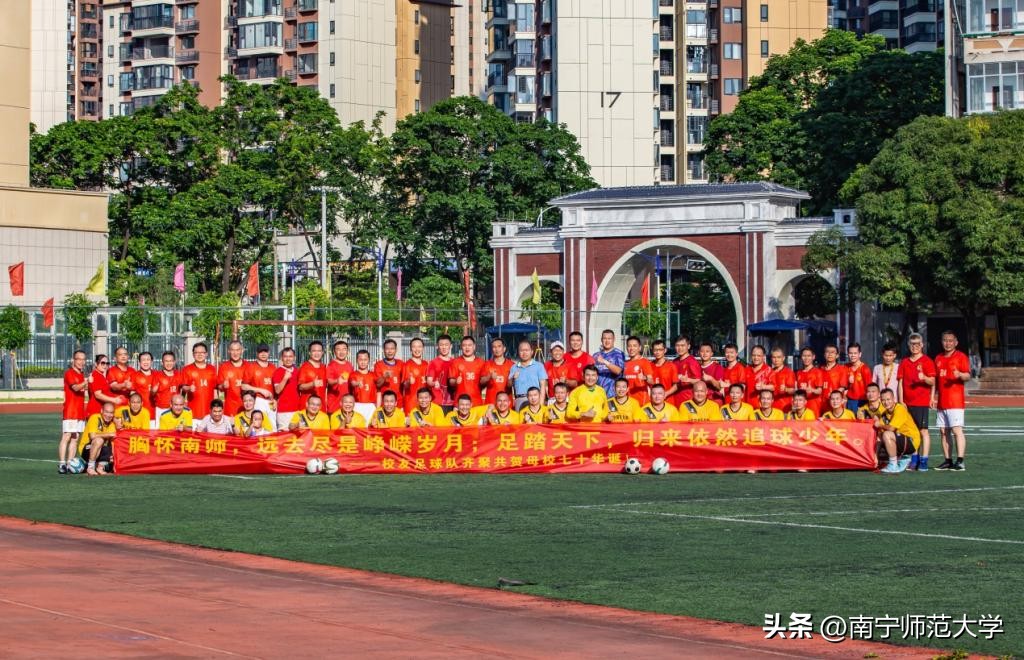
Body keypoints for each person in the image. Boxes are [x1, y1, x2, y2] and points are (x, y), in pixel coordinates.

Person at [897, 332, 936, 471]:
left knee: (923, 431)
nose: (915, 347)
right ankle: (914, 459)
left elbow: (932, 381)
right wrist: (901, 401)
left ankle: (924, 460)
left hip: (921, 402)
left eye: (917, 344)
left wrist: (924, 378)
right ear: (909, 345)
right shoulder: (905, 362)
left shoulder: (927, 361)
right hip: (907, 403)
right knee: (911, 432)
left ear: (922, 345)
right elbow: (900, 383)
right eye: (912, 344)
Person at [934, 330, 970, 471]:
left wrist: (960, 374)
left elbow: (967, 375)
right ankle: (948, 460)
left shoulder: (961, 357)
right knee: (943, 431)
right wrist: (933, 397)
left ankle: (960, 461)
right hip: (942, 401)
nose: (947, 343)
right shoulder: (938, 358)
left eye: (950, 340)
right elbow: (936, 380)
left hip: (955, 401)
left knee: (956, 430)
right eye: (945, 340)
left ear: (956, 342)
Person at [871, 387, 921, 474]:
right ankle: (903, 459)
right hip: (901, 440)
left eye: (888, 399)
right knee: (880, 438)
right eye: (883, 400)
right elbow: (879, 435)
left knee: (887, 434)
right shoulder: (884, 414)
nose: (886, 402)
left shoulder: (900, 409)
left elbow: (891, 428)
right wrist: (876, 456)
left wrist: (880, 424)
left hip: (912, 441)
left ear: (894, 398)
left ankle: (893, 465)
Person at [59, 350, 88, 474]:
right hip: (71, 411)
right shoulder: (69, 373)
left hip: (80, 412)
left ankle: (70, 463)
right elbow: (75, 387)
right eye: (79, 359)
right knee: (67, 436)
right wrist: (87, 381)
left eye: (83, 359)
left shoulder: (81, 374)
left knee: (75, 438)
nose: (81, 362)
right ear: (73, 360)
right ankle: (61, 464)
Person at [180, 342, 217, 424]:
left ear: (206, 354)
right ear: (193, 354)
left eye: (202, 352)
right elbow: (183, 387)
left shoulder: (212, 369)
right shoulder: (187, 369)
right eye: (196, 352)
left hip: (210, 413)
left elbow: (215, 389)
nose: (199, 355)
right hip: (193, 413)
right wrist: (189, 388)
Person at [242, 344, 277, 427]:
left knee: (272, 425)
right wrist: (260, 390)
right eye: (261, 352)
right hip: (258, 400)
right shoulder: (251, 367)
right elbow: (243, 386)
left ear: (269, 353)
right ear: (257, 353)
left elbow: (276, 386)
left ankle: (271, 440)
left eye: (265, 351)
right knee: (259, 425)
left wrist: (275, 399)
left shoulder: (273, 367)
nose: (263, 354)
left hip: (271, 401)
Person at [509, 340, 548, 409]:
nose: (524, 353)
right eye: (521, 350)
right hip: (520, 400)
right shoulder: (514, 367)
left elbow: (543, 386)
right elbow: (509, 385)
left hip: (535, 399)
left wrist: (541, 404)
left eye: (526, 350)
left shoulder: (539, 366)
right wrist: (512, 379)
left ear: (532, 352)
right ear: (518, 352)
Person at [81, 402, 118, 476]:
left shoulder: (112, 425)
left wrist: (114, 457)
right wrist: (109, 434)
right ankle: (90, 468)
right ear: (101, 411)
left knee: (111, 444)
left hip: (100, 449)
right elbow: (92, 436)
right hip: (87, 449)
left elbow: (113, 443)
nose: (108, 415)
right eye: (106, 412)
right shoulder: (95, 418)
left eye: (111, 413)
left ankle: (100, 468)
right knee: (99, 440)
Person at [449, 336, 484, 407]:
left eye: (469, 345)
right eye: (464, 345)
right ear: (461, 347)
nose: (467, 348)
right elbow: (451, 381)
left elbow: (484, 382)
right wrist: (455, 382)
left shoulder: (481, 362)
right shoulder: (455, 362)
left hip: (476, 403)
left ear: (474, 347)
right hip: (459, 403)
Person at [272, 347, 302, 429]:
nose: (288, 359)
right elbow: (277, 390)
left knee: (297, 435)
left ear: (294, 358)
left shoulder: (297, 371)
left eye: (290, 356)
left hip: (297, 409)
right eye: (285, 356)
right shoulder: (278, 372)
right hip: (284, 410)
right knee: (284, 436)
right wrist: (285, 378)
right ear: (281, 358)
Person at [217, 340, 249, 416]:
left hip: (247, 407)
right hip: (230, 408)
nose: (235, 353)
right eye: (233, 350)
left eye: (238, 350)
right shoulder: (224, 367)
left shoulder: (248, 366)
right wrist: (223, 386)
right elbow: (219, 387)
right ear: (229, 351)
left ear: (242, 351)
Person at [480, 337, 513, 408]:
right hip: (491, 403)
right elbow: (481, 382)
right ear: (492, 349)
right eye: (494, 347)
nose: (497, 349)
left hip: (506, 403)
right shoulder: (487, 364)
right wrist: (489, 377)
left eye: (499, 346)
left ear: (504, 349)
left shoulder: (511, 365)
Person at [426, 334, 455, 413]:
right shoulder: (433, 363)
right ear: (437, 346)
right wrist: (433, 383)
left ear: (451, 346)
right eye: (441, 345)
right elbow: (429, 381)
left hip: (453, 401)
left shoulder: (455, 362)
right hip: (438, 402)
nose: (444, 347)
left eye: (446, 345)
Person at [400, 338, 430, 414]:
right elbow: (405, 385)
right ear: (410, 349)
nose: (417, 349)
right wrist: (409, 382)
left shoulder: (426, 364)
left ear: (423, 348)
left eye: (419, 346)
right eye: (414, 347)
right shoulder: (407, 365)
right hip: (411, 403)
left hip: (424, 403)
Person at [622, 336, 653, 405]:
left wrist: (645, 378)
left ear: (639, 348)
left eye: (634, 346)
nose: (631, 348)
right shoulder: (625, 363)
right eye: (629, 346)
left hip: (641, 402)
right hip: (628, 402)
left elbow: (651, 381)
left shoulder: (644, 362)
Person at [592, 329, 625, 397]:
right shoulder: (596, 355)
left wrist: (604, 361)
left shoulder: (618, 354)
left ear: (614, 339)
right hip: (598, 394)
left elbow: (618, 371)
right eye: (604, 338)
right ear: (601, 339)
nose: (607, 341)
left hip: (613, 395)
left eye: (609, 338)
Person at [672, 335, 702, 407]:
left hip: (688, 400)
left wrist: (688, 380)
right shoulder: (674, 361)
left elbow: (699, 380)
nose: (680, 348)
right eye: (677, 345)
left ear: (688, 346)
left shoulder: (692, 362)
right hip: (675, 398)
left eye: (682, 345)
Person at [297, 340, 328, 410]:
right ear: (309, 353)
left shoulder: (324, 367)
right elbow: (300, 387)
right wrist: (312, 384)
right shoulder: (304, 367)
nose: (317, 353)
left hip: (321, 407)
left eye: (319, 351)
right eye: (314, 351)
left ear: (322, 352)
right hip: (307, 408)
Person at [151, 351, 181, 421]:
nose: (169, 363)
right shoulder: (157, 375)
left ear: (174, 362)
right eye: (166, 361)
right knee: (161, 431)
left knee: (175, 431)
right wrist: (153, 391)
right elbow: (152, 393)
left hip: (175, 408)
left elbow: (184, 389)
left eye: (171, 361)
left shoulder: (179, 374)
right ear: (162, 362)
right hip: (161, 409)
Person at [325, 340, 353, 415]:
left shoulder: (349, 365)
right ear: (334, 351)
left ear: (347, 351)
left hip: (347, 404)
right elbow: (329, 381)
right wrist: (337, 381)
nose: (341, 352)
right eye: (338, 349)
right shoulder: (331, 365)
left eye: (344, 349)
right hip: (334, 405)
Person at [795, 347, 825, 417]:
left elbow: (820, 390)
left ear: (813, 357)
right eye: (804, 356)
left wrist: (812, 390)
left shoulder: (818, 372)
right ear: (801, 357)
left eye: (809, 356)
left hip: (813, 404)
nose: (806, 358)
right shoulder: (798, 373)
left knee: (813, 425)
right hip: (801, 405)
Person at [767, 347, 796, 412]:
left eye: (778, 357)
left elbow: (793, 390)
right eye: (774, 357)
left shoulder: (789, 372)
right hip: (771, 408)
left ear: (783, 358)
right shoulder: (770, 372)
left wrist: (786, 389)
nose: (776, 360)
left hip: (785, 408)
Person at [131, 351, 156, 427]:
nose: (146, 362)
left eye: (148, 359)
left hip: (156, 413)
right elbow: (132, 395)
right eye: (143, 360)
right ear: (139, 362)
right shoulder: (134, 376)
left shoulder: (157, 374)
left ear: (152, 361)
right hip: (141, 414)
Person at [845, 343, 872, 412]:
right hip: (849, 401)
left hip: (862, 401)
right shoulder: (845, 367)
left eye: (855, 353)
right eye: (850, 353)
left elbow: (869, 388)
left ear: (860, 354)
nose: (853, 355)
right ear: (848, 354)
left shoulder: (865, 369)